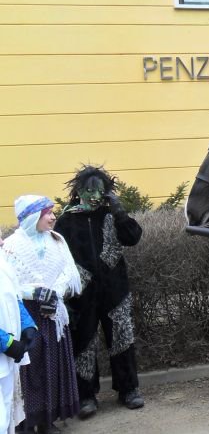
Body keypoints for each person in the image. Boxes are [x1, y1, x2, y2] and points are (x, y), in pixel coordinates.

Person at [54, 166, 144, 418]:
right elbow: (58, 259)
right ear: (79, 191)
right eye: (88, 190)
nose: (94, 196)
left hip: (115, 291)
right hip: (82, 295)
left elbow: (133, 237)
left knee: (122, 340)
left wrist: (119, 211)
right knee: (83, 344)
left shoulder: (112, 215)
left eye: (99, 191)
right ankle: (86, 397)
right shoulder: (67, 220)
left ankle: (129, 390)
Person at [2, 196, 81, 434]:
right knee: (29, 368)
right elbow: (9, 282)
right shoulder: (12, 246)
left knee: (53, 364)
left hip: (53, 314)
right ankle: (26, 424)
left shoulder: (57, 240)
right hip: (27, 316)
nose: (53, 217)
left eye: (52, 212)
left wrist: (55, 291)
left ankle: (48, 419)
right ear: (31, 217)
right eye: (47, 212)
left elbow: (70, 271)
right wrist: (35, 293)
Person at [0, 231, 38, 434]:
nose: (2, 240)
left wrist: (28, 326)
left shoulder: (3, 262)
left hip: (8, 355)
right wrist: (5, 342)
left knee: (4, 409)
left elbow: (15, 298)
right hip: (5, 348)